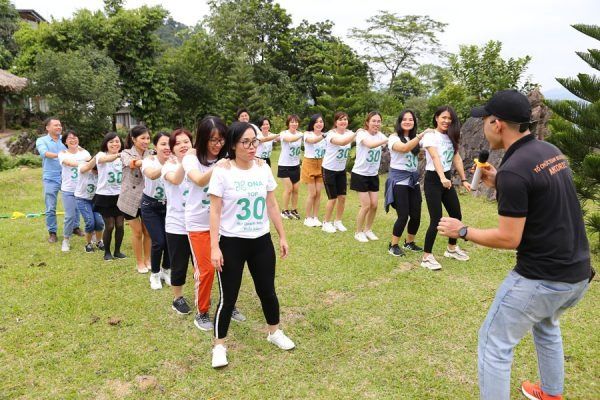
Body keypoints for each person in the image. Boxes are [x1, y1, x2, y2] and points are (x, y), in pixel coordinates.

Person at [438, 89, 593, 400]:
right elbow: (542, 194)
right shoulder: (549, 151)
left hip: (541, 278)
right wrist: (502, 181)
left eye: (485, 120)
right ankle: (550, 393)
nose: (483, 126)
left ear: (497, 124)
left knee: (494, 343)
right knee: (546, 325)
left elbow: (510, 238)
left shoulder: (514, 170)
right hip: (577, 276)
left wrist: (463, 229)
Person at [209, 121, 294, 368]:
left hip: (261, 241)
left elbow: (272, 204)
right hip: (232, 243)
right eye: (245, 142)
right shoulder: (222, 170)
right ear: (233, 145)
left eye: (254, 141)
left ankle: (274, 332)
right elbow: (214, 211)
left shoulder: (263, 168)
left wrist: (282, 236)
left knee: (267, 291)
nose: (251, 146)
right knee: (229, 297)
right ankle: (219, 345)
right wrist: (215, 247)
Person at [183, 116, 246, 331]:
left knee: (229, 267)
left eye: (221, 140)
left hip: (225, 223)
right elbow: (199, 180)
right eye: (213, 140)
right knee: (207, 269)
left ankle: (229, 305)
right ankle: (202, 312)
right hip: (198, 224)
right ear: (202, 139)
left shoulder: (229, 157)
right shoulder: (191, 158)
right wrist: (220, 166)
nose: (218, 145)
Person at [420, 106, 471, 270]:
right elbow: (434, 156)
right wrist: (442, 177)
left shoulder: (451, 136)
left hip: (446, 179)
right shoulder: (430, 136)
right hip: (434, 180)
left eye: (450, 118)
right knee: (436, 219)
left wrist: (463, 180)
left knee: (456, 214)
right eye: (443, 117)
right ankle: (426, 257)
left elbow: (456, 158)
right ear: (436, 117)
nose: (447, 121)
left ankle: (451, 248)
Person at [162, 129, 194, 314]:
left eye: (187, 142)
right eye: (178, 143)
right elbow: (175, 179)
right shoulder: (169, 166)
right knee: (179, 263)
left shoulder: (200, 164)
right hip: (177, 224)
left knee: (200, 265)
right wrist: (186, 161)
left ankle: (202, 295)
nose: (183, 145)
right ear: (172, 149)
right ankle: (177, 298)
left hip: (198, 223)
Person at [384, 110, 425, 256]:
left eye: (411, 119)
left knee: (416, 214)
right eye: (405, 119)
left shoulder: (415, 138)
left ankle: (409, 242)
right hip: (399, 180)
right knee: (403, 215)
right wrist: (420, 136)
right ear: (400, 122)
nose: (408, 121)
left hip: (413, 180)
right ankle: (393, 245)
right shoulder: (393, 138)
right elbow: (403, 148)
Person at [118, 126, 152, 274]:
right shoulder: (125, 153)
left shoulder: (152, 153)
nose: (146, 141)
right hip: (129, 199)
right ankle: (139, 262)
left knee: (148, 232)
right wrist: (146, 162)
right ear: (133, 139)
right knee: (137, 232)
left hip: (146, 197)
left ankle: (148, 260)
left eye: (148, 138)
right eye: (142, 138)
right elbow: (131, 163)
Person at [351, 111, 388, 242]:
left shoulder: (380, 135)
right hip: (360, 174)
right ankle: (358, 232)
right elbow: (370, 144)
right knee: (365, 205)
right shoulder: (362, 134)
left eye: (378, 121)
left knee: (374, 205)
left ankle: (368, 229)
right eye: (374, 121)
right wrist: (389, 138)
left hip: (373, 175)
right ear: (367, 122)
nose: (376, 124)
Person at [140, 132, 171, 290]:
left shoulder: (177, 161)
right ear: (155, 146)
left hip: (170, 206)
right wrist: (167, 165)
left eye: (170, 144)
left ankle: (166, 270)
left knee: (171, 242)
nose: (167, 147)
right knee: (159, 241)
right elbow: (151, 175)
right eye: (163, 144)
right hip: (150, 206)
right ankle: (155, 274)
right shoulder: (148, 161)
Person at [35, 117, 72, 243]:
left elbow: (75, 149)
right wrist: (61, 155)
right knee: (50, 207)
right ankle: (52, 233)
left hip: (67, 176)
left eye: (60, 125)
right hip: (51, 177)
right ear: (47, 127)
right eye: (55, 125)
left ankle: (75, 227)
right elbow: (44, 153)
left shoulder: (65, 139)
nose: (59, 127)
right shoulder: (42, 140)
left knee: (73, 203)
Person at [321, 111, 356, 233]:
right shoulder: (330, 134)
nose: (343, 122)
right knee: (332, 198)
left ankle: (338, 221)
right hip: (329, 169)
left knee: (342, 197)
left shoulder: (349, 133)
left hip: (341, 170)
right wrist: (356, 134)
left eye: (345, 119)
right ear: (335, 122)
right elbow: (342, 142)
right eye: (340, 119)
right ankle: (326, 222)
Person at [57, 131, 92, 251]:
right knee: (70, 216)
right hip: (69, 190)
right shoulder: (62, 154)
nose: (73, 140)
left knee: (88, 216)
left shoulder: (85, 152)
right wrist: (84, 163)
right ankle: (66, 240)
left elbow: (90, 163)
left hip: (84, 190)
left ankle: (91, 237)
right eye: (70, 138)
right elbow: (69, 163)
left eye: (75, 137)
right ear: (65, 141)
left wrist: (88, 161)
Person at [93, 132, 126, 261]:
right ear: (106, 143)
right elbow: (103, 160)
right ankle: (107, 252)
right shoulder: (101, 155)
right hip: (104, 196)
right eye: (111, 141)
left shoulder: (124, 157)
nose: (115, 144)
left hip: (120, 195)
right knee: (110, 225)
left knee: (120, 225)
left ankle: (117, 251)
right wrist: (119, 155)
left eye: (117, 141)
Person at [74, 156, 105, 253]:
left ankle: (99, 241)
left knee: (99, 222)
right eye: (95, 170)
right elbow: (85, 168)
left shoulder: (103, 171)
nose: (97, 173)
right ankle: (88, 244)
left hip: (97, 200)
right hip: (83, 199)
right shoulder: (83, 166)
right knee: (90, 222)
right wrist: (98, 157)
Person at [300, 114, 326, 227]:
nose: (319, 124)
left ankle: (315, 217)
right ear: (313, 124)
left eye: (321, 121)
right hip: (309, 163)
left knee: (319, 193)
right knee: (312, 193)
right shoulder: (307, 134)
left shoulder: (326, 136)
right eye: (317, 122)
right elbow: (313, 141)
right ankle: (307, 217)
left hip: (321, 163)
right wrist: (325, 136)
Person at [277, 114, 303, 220]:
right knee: (289, 189)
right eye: (292, 122)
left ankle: (294, 210)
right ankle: (284, 210)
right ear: (288, 124)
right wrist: (301, 135)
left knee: (296, 189)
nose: (294, 124)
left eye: (296, 122)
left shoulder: (300, 134)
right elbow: (290, 139)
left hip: (295, 166)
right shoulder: (284, 133)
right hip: (284, 165)